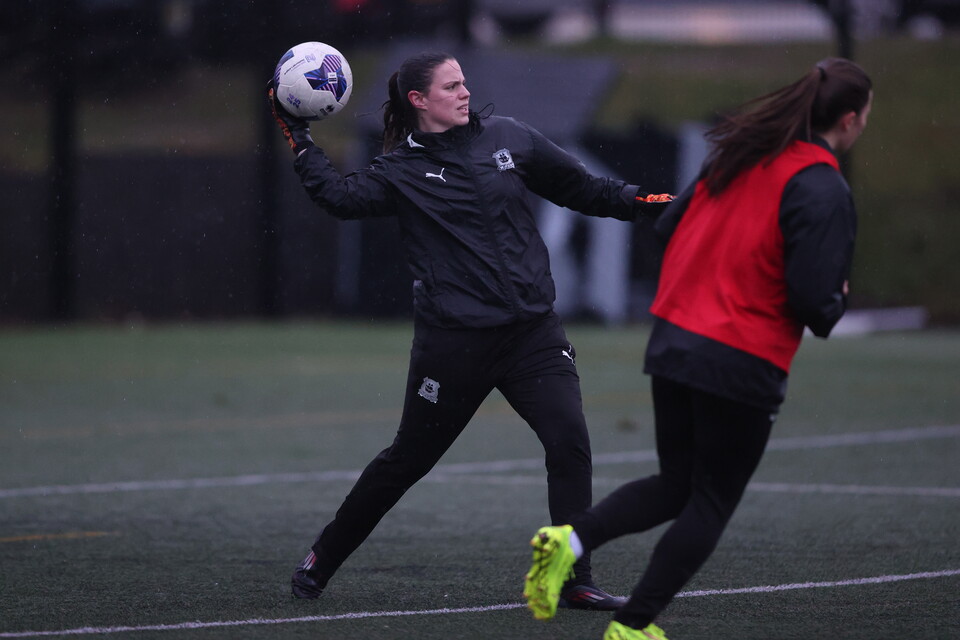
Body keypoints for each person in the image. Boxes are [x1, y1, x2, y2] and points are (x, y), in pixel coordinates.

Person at [268, 50, 672, 607]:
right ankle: (322, 558)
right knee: (406, 462)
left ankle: (575, 579)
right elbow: (338, 199)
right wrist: (297, 134)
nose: (465, 93)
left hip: (533, 333)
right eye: (452, 86)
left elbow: (586, 189)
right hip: (455, 345)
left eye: (464, 83)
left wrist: (653, 204)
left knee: (569, 442)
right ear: (419, 101)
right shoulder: (400, 171)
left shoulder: (509, 137)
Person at [523, 57, 873, 640]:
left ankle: (570, 539)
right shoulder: (822, 184)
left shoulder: (739, 157)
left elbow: (667, 227)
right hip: (739, 353)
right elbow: (816, 304)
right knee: (710, 502)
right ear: (851, 119)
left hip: (675, 340)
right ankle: (632, 627)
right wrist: (836, 296)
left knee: (675, 485)